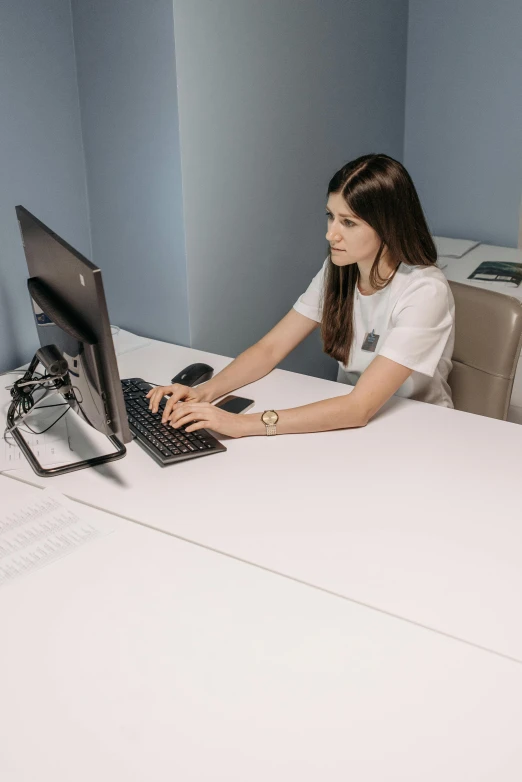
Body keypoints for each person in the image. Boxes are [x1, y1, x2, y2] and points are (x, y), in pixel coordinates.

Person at [147, 153, 455, 438]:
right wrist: (205, 392)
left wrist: (241, 424)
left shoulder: (425, 291)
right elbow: (269, 350)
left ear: (387, 226)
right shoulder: (339, 270)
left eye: (348, 222)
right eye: (330, 216)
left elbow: (359, 408)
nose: (331, 234)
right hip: (348, 424)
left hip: (416, 430)